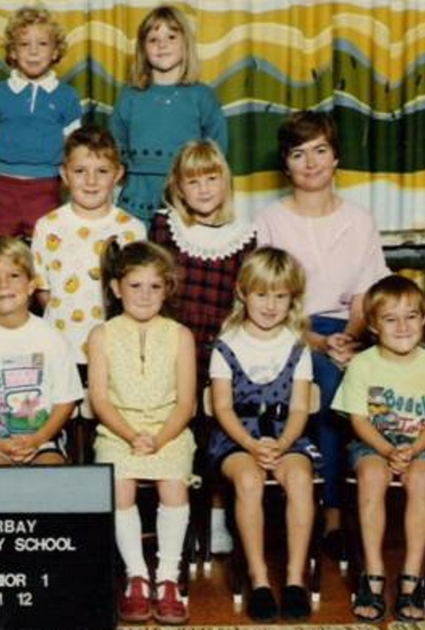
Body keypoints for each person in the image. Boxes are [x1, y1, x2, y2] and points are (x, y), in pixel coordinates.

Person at [254, 110, 391, 551]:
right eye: (299, 153)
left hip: (351, 329)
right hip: (287, 329)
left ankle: (334, 515)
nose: (310, 163)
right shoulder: (271, 219)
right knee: (327, 384)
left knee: (347, 381)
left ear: (335, 158)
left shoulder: (359, 218)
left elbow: (367, 294)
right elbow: (267, 296)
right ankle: (323, 513)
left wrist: (348, 338)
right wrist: (315, 341)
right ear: (286, 164)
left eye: (320, 151)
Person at [150, 138, 255, 554]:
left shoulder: (244, 236)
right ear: (179, 186)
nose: (205, 189)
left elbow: (245, 301)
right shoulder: (166, 226)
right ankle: (171, 519)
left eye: (212, 179)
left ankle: (214, 517)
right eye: (194, 181)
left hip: (220, 352)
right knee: (174, 432)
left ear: (225, 183)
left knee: (214, 433)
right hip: (173, 348)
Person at [331, 275, 425, 622]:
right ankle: (372, 574)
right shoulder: (363, 364)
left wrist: (411, 449)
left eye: (411, 316)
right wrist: (387, 450)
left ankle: (411, 578)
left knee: (420, 480)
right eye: (390, 319)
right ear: (373, 325)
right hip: (373, 445)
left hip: (420, 446)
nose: (402, 327)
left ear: (424, 319)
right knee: (371, 476)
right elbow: (358, 419)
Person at [86, 241, 197, 625]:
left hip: (170, 429)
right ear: (117, 288)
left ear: (167, 289)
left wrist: (159, 439)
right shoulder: (102, 335)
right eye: (135, 286)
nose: (145, 295)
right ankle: (137, 576)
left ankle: (167, 576)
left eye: (154, 286)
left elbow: (187, 404)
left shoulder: (180, 335)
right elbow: (100, 399)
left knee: (172, 484)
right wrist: (132, 435)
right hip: (118, 430)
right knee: (119, 484)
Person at [208, 247, 317, 622]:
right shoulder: (227, 343)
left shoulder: (297, 344)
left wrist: (282, 444)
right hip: (238, 437)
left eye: (281, 295)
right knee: (250, 480)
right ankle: (258, 579)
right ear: (242, 292)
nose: (270, 305)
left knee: (301, 478)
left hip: (287, 435)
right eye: (261, 294)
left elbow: (301, 407)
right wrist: (253, 445)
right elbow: (222, 407)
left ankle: (293, 580)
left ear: (292, 298)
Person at [0, 236, 83, 465]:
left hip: (45, 440)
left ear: (32, 284)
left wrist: (38, 438)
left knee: (52, 472)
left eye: (14, 276)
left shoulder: (52, 338)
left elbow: (66, 401)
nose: (4, 285)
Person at [31, 125, 146, 377]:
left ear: (118, 174)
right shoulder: (47, 226)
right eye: (80, 171)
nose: (91, 181)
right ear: (64, 174)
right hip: (60, 349)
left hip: (114, 351)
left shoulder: (132, 229)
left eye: (102, 171)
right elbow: (43, 290)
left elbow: (138, 292)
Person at [110, 5, 229, 226]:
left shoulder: (202, 96)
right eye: (153, 39)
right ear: (143, 49)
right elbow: (115, 147)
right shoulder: (128, 96)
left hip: (187, 199)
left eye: (171, 37)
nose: (162, 44)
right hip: (138, 197)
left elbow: (217, 152)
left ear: (186, 45)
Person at [0, 4, 84, 238]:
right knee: (1, 249)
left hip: (46, 188)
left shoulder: (67, 96)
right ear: (12, 52)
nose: (33, 51)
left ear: (56, 51)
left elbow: (71, 148)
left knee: (45, 247)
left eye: (43, 44)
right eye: (24, 44)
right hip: (4, 187)